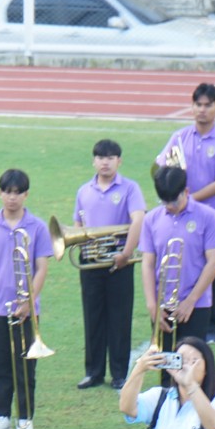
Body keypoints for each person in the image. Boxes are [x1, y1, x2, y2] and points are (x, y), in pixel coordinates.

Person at [0, 169, 52, 429]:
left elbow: (41, 268)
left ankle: (25, 419)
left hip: (25, 312)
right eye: (7, 192)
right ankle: (2, 416)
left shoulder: (37, 227)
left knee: (25, 367)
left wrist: (30, 301)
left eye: (18, 193)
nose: (12, 197)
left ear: (26, 195)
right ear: (0, 193)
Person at [158, 85, 215, 331]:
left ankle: (210, 325)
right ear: (192, 107)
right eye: (198, 105)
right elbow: (162, 168)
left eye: (208, 105)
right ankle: (174, 312)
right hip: (180, 215)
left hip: (214, 217)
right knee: (182, 267)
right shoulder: (179, 137)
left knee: (213, 270)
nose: (202, 110)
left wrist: (189, 199)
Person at [73, 140, 146, 390]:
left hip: (119, 261)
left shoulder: (130, 188)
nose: (105, 162)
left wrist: (126, 253)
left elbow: (138, 220)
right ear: (94, 161)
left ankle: (118, 373)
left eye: (110, 157)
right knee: (92, 317)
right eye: (100, 157)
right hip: (92, 261)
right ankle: (93, 372)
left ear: (119, 161)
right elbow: (78, 224)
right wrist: (80, 242)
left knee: (119, 318)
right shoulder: (84, 191)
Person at [140, 167, 215, 348]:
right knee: (164, 362)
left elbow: (214, 262)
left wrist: (191, 301)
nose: (170, 206)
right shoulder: (151, 219)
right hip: (163, 307)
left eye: (175, 200)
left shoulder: (208, 216)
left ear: (186, 191)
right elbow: (148, 263)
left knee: (192, 361)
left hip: (197, 305)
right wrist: (152, 305)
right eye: (165, 201)